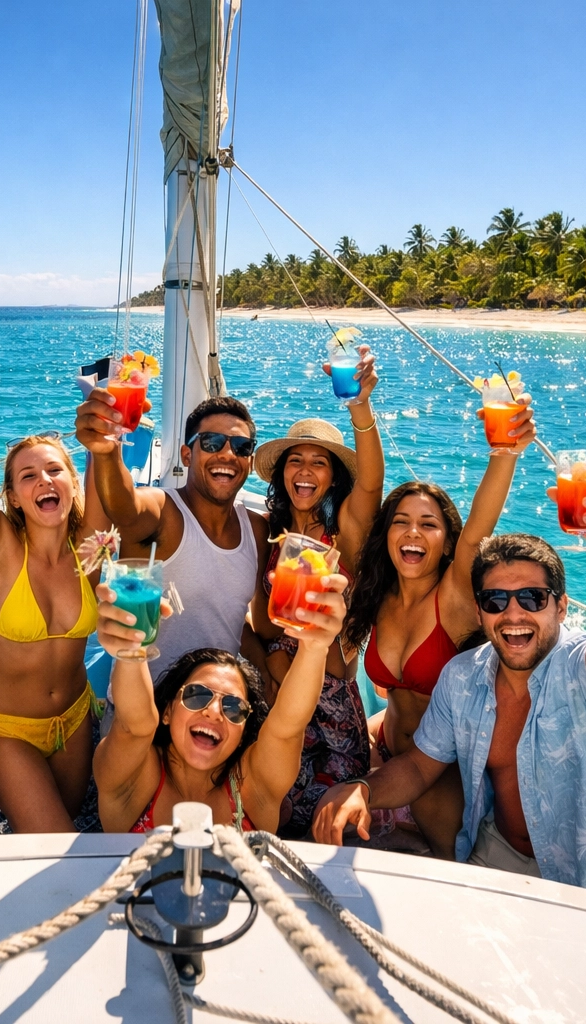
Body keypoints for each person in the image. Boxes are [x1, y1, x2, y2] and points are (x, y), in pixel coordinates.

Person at [312, 517, 586, 898]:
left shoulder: (584, 668)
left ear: (561, 607)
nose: (513, 614)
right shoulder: (463, 676)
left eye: (532, 598)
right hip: (496, 854)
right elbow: (419, 766)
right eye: (496, 601)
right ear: (479, 613)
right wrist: (363, 789)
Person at [338, 395, 535, 858]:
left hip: (438, 769)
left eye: (428, 525)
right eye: (401, 522)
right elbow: (367, 488)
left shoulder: (454, 595)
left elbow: (481, 521)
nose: (412, 532)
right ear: (386, 535)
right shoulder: (378, 594)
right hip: (384, 750)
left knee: (445, 871)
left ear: (447, 543)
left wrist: (504, 453)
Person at [0, 363, 108, 832]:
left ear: (72, 483)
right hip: (8, 729)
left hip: (74, 719)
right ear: (12, 497)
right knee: (55, 839)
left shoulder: (88, 549)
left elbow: (104, 464)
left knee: (69, 819)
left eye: (55, 470)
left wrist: (101, 414)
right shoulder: (0, 549)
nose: (44, 480)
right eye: (28, 476)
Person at [92, 569, 348, 833]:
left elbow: (288, 727)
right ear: (167, 711)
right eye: (197, 695)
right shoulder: (136, 776)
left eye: (233, 707)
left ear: (244, 730)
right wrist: (130, 651)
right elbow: (134, 726)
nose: (214, 712)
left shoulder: (252, 788)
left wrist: (315, 648)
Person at [247, 349, 383, 836]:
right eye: (295, 461)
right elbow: (264, 622)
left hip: (330, 705)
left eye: (318, 463)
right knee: (274, 812)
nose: (304, 471)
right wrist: (269, 667)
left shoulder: (344, 529)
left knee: (327, 823)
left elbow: (372, 483)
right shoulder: (271, 531)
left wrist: (360, 406)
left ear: (334, 475)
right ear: (281, 472)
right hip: (279, 689)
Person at [75, 392, 267, 680]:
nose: (228, 454)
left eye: (241, 447)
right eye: (212, 442)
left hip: (215, 702)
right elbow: (124, 507)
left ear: (250, 462)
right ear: (187, 455)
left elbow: (238, 619)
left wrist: (267, 672)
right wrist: (107, 451)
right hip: (144, 700)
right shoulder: (162, 510)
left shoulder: (256, 530)